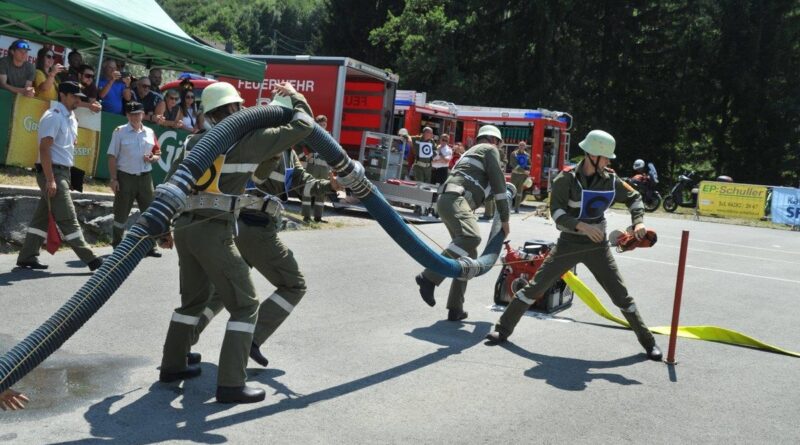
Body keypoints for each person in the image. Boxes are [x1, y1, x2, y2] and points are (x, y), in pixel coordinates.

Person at [156, 81, 314, 404]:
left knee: (192, 302)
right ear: (233, 109)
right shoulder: (248, 141)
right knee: (245, 305)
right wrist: (295, 96)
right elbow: (304, 126)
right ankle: (231, 384)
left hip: (185, 228)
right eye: (239, 106)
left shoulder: (192, 143)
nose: (243, 110)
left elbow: (171, 183)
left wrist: (162, 226)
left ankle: (173, 365)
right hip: (214, 230)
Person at [485, 130, 663, 361]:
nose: (609, 162)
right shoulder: (565, 179)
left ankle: (649, 343)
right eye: (606, 157)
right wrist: (582, 226)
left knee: (621, 296)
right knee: (535, 288)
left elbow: (634, 197)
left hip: (598, 247)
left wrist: (638, 222)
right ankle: (502, 329)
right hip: (568, 244)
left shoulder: (610, 179)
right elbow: (557, 213)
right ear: (592, 155)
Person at [191, 146, 341, 368]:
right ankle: (251, 338)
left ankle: (184, 340)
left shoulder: (288, 151)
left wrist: (331, 186)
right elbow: (256, 177)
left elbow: (303, 183)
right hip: (255, 229)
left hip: (240, 225)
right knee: (294, 285)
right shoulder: (267, 143)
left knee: (223, 290)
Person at [415, 125, 511, 321]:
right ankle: (429, 277)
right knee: (471, 237)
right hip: (456, 199)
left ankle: (455, 308)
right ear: (495, 141)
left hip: (449, 200)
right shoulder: (489, 150)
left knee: (469, 256)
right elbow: (500, 188)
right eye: (499, 145)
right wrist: (505, 218)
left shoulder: (472, 153)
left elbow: (486, 190)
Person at [15, 81, 103, 271]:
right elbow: (44, 149)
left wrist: (66, 177)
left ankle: (27, 256)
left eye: (79, 97)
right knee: (68, 217)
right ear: (62, 95)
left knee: (41, 218)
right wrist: (51, 179)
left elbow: (65, 148)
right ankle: (92, 260)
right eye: (74, 96)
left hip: (62, 172)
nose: (78, 100)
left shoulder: (71, 118)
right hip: (52, 172)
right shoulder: (53, 116)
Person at [106, 101, 162, 257]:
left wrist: (152, 158)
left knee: (149, 213)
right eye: (132, 114)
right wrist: (113, 179)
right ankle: (117, 246)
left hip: (145, 178)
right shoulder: (119, 132)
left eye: (138, 114)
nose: (135, 117)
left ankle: (149, 246)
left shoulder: (150, 132)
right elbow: (111, 156)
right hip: (125, 177)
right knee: (121, 214)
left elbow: (158, 153)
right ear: (127, 115)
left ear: (143, 114)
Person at [300, 114, 330, 223]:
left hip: (324, 169)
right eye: (320, 125)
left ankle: (318, 217)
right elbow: (299, 144)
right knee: (308, 190)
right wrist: (303, 157)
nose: (322, 126)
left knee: (322, 192)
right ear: (317, 125)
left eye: (324, 124)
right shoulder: (311, 134)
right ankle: (306, 216)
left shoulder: (329, 136)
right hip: (313, 167)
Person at [481, 137, 508, 220]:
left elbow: (505, 161)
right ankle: (490, 213)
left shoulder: (499, 151)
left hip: (493, 173)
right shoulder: (492, 149)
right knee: (490, 194)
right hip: (490, 172)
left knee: (489, 194)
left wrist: (499, 164)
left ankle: (488, 214)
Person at [509, 141, 531, 213]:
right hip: (515, 175)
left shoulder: (527, 155)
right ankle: (508, 207)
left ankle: (517, 208)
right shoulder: (514, 154)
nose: (521, 147)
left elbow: (529, 164)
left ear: (525, 147)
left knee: (519, 193)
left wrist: (528, 171)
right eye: (520, 145)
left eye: (523, 145)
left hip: (522, 176)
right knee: (511, 191)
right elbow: (513, 164)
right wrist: (524, 171)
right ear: (518, 146)